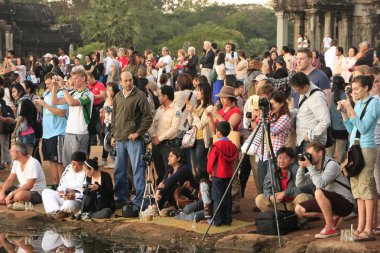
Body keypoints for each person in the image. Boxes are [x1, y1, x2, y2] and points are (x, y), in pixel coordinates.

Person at [338, 75, 380, 241]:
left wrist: (349, 108)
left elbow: (363, 128)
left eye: (356, 89)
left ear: (366, 88)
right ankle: (361, 225)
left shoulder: (374, 103)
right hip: (355, 147)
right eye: (352, 89)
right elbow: (352, 129)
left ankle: (369, 229)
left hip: (367, 148)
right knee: (357, 189)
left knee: (367, 188)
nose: (353, 92)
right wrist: (344, 114)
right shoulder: (359, 103)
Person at [295, 142, 355, 239]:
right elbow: (299, 184)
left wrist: (309, 166)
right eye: (306, 155)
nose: (308, 157)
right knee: (299, 209)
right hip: (331, 202)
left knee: (318, 192)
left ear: (320, 153)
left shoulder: (332, 165)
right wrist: (302, 167)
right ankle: (334, 217)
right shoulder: (315, 168)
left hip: (346, 204)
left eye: (310, 154)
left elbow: (319, 184)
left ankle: (330, 227)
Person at [111, 71, 152, 208]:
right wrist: (113, 135)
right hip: (120, 139)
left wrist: (138, 133)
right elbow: (114, 118)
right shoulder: (117, 96)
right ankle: (121, 198)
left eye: (130, 80)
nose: (128, 83)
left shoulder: (140, 96)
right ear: (120, 82)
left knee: (137, 170)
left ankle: (139, 201)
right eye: (126, 81)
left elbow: (147, 118)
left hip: (134, 140)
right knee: (119, 170)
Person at [51, 69, 94, 167]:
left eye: (75, 78)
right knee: (67, 164)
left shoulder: (88, 94)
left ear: (83, 79)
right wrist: (55, 86)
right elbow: (55, 101)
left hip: (80, 133)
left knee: (78, 164)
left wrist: (63, 87)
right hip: (69, 131)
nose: (73, 81)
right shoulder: (73, 93)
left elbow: (72, 103)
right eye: (72, 79)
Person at [35, 73, 68, 190]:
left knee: (59, 162)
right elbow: (45, 112)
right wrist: (39, 106)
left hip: (58, 133)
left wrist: (45, 105)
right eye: (46, 84)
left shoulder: (61, 95)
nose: (48, 86)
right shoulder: (47, 94)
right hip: (47, 134)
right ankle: (55, 185)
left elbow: (61, 112)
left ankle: (62, 186)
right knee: (51, 161)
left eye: (50, 84)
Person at [255, 147, 313, 212]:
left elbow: (302, 188)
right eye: (279, 158)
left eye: (285, 158)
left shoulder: (297, 169)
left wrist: (285, 193)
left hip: (294, 203)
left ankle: (298, 219)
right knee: (259, 199)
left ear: (292, 160)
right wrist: (271, 196)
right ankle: (276, 218)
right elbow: (266, 186)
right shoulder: (273, 168)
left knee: (303, 197)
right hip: (279, 204)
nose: (281, 161)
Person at [290, 72, 330, 154]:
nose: (296, 92)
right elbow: (305, 112)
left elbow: (325, 121)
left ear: (306, 86)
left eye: (297, 90)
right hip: (302, 139)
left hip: (310, 141)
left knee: (310, 166)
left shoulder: (317, 97)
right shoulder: (305, 92)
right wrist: (291, 113)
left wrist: (310, 135)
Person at [207, 121, 238, 226]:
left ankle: (217, 220)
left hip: (218, 174)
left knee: (217, 197)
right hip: (229, 174)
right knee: (227, 197)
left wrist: (210, 172)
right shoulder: (232, 146)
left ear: (218, 132)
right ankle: (227, 219)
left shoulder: (216, 146)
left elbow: (211, 161)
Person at [150, 85, 181, 185]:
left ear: (165, 97)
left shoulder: (176, 110)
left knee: (169, 171)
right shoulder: (159, 109)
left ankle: (170, 195)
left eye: (160, 96)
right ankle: (161, 194)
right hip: (156, 144)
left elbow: (174, 129)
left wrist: (159, 138)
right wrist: (154, 136)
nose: (158, 98)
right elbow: (153, 124)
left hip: (168, 145)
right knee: (159, 171)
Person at [0, 143, 46, 209]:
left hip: (36, 192)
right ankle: (9, 200)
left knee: (19, 196)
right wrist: (2, 192)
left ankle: (10, 200)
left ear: (19, 154)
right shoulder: (16, 162)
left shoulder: (33, 163)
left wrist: (11, 194)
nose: (10, 153)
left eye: (12, 151)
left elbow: (29, 185)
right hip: (21, 188)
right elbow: (10, 179)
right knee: (2, 186)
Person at [42, 151, 86, 219]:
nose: (75, 167)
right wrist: (62, 191)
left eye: (78, 165)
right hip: (65, 195)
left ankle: (57, 211)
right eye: (73, 164)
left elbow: (87, 193)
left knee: (68, 205)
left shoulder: (87, 171)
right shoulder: (68, 168)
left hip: (77, 200)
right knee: (46, 192)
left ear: (83, 164)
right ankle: (56, 212)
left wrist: (75, 195)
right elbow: (62, 184)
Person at [11, 83, 40, 154]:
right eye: (12, 92)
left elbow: (20, 118)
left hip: (28, 134)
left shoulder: (24, 101)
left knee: (28, 158)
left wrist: (15, 130)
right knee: (23, 158)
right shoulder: (21, 101)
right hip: (23, 134)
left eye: (14, 91)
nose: (12, 94)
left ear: (20, 91)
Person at [326, 76, 348, 163]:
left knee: (329, 155)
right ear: (342, 84)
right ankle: (337, 172)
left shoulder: (329, 96)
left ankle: (329, 171)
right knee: (340, 154)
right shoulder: (345, 96)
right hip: (343, 128)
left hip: (331, 128)